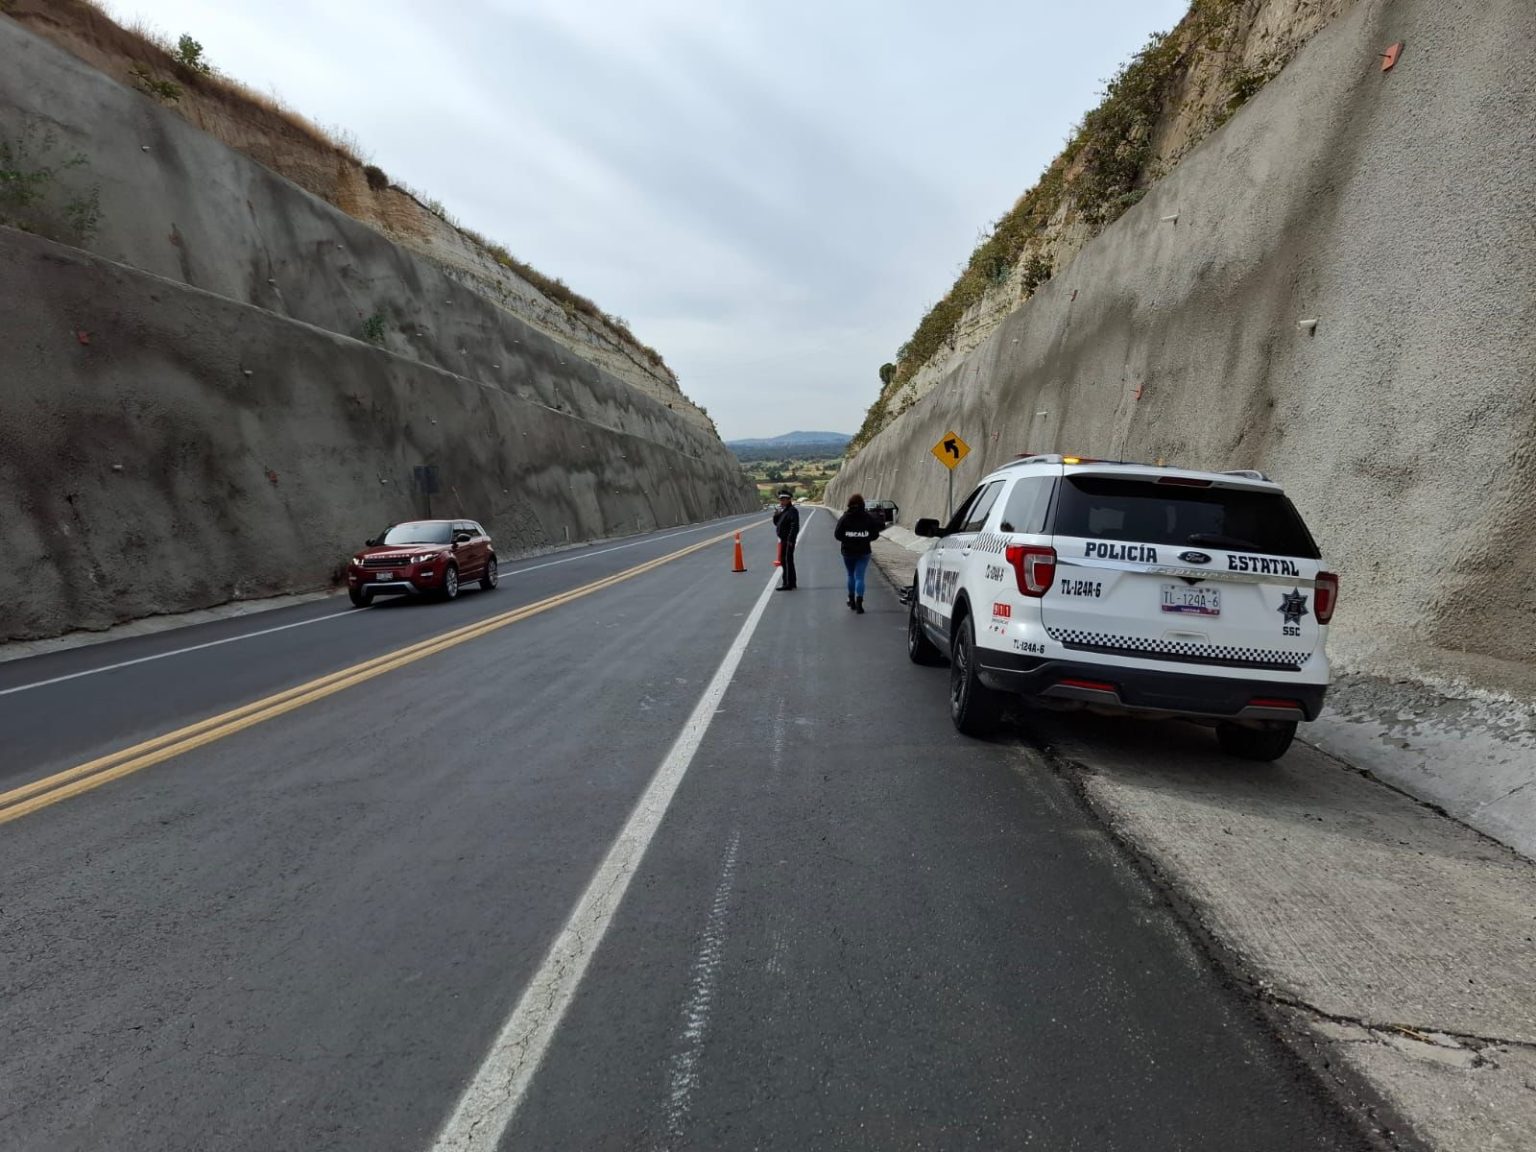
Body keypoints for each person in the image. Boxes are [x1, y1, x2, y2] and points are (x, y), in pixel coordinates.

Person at [833, 493, 883, 613]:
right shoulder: (868, 517)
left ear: (849, 504)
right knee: (860, 576)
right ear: (862, 504)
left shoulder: (845, 518)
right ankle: (859, 602)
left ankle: (851, 599)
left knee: (851, 575)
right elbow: (875, 534)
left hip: (848, 552)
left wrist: (848, 539)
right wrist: (865, 538)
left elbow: (837, 534)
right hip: (864, 551)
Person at [772, 489, 799, 591]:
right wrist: (776, 515)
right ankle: (791, 582)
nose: (781, 501)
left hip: (787, 540)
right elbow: (777, 523)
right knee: (787, 561)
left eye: (783, 499)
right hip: (784, 539)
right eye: (780, 500)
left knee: (786, 561)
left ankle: (787, 583)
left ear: (788, 500)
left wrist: (790, 540)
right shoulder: (785, 511)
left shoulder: (792, 511)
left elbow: (794, 526)